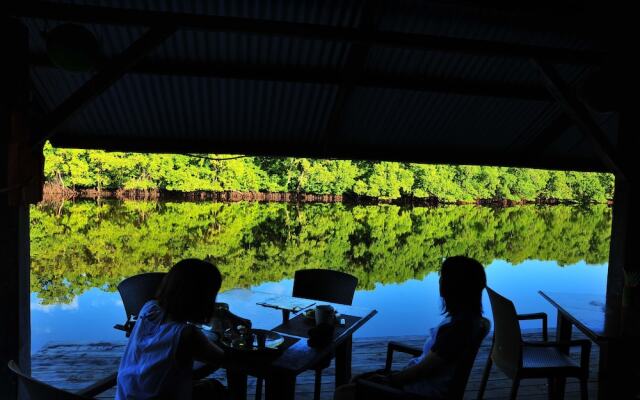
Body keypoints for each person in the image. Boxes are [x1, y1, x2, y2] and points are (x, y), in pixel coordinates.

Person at [334, 256, 488, 400]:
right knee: (357, 380)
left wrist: (388, 380)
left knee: (343, 393)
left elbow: (422, 371)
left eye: (443, 277)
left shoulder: (456, 330)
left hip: (419, 392)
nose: (440, 281)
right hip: (424, 384)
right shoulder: (469, 320)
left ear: (453, 287)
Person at [116, 259, 228, 400]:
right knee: (216, 390)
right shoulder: (187, 335)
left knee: (209, 387)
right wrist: (219, 328)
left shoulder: (149, 309)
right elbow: (222, 358)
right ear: (202, 299)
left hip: (128, 396)